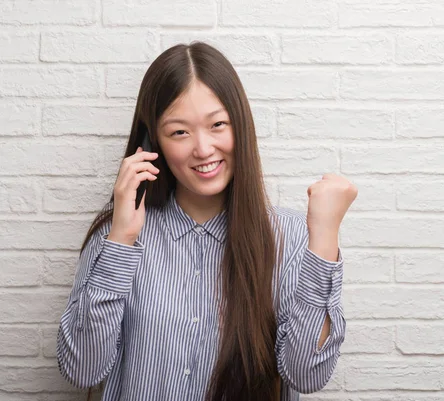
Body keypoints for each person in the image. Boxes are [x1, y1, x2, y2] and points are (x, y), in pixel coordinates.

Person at [56, 41, 357, 401]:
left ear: (240, 125)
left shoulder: (290, 238)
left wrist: (324, 238)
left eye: (217, 124)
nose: (202, 149)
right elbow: (81, 369)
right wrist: (121, 241)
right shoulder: (117, 234)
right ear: (154, 143)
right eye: (179, 132)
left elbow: (306, 375)